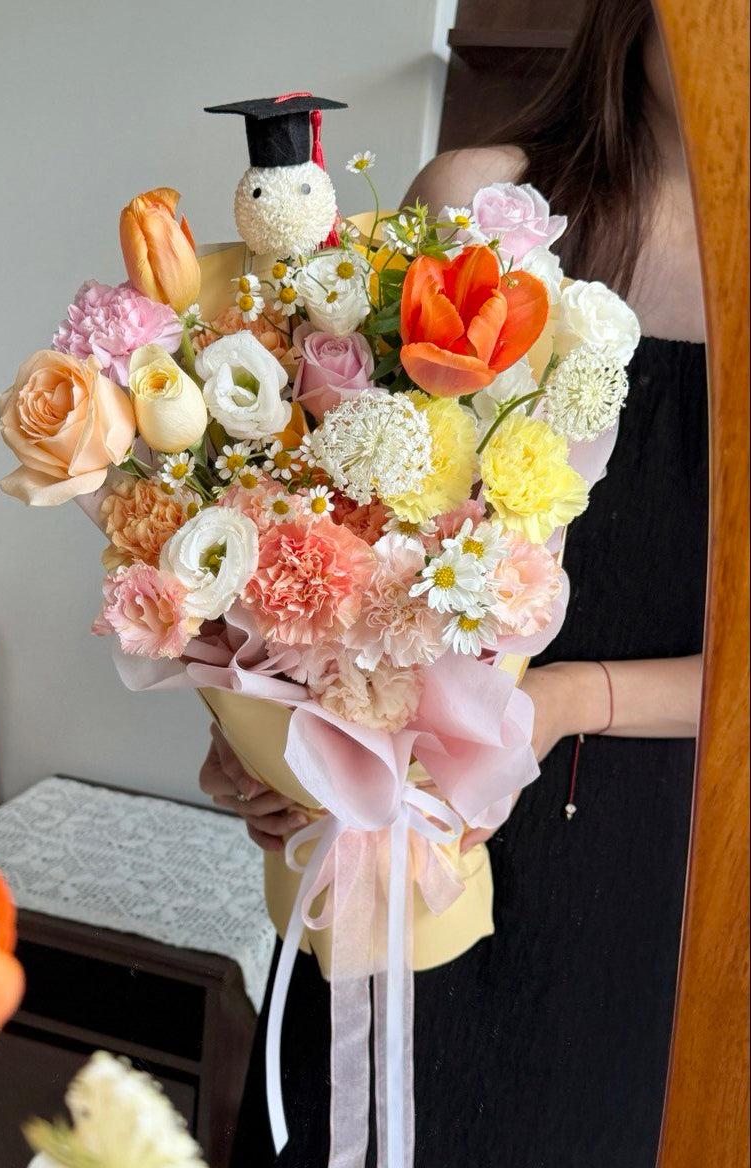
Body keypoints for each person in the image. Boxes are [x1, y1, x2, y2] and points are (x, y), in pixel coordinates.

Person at [202, 1, 708, 1162]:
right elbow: (322, 519)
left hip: (652, 856)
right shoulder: (479, 199)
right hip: (413, 823)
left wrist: (561, 703)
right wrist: (273, 736)